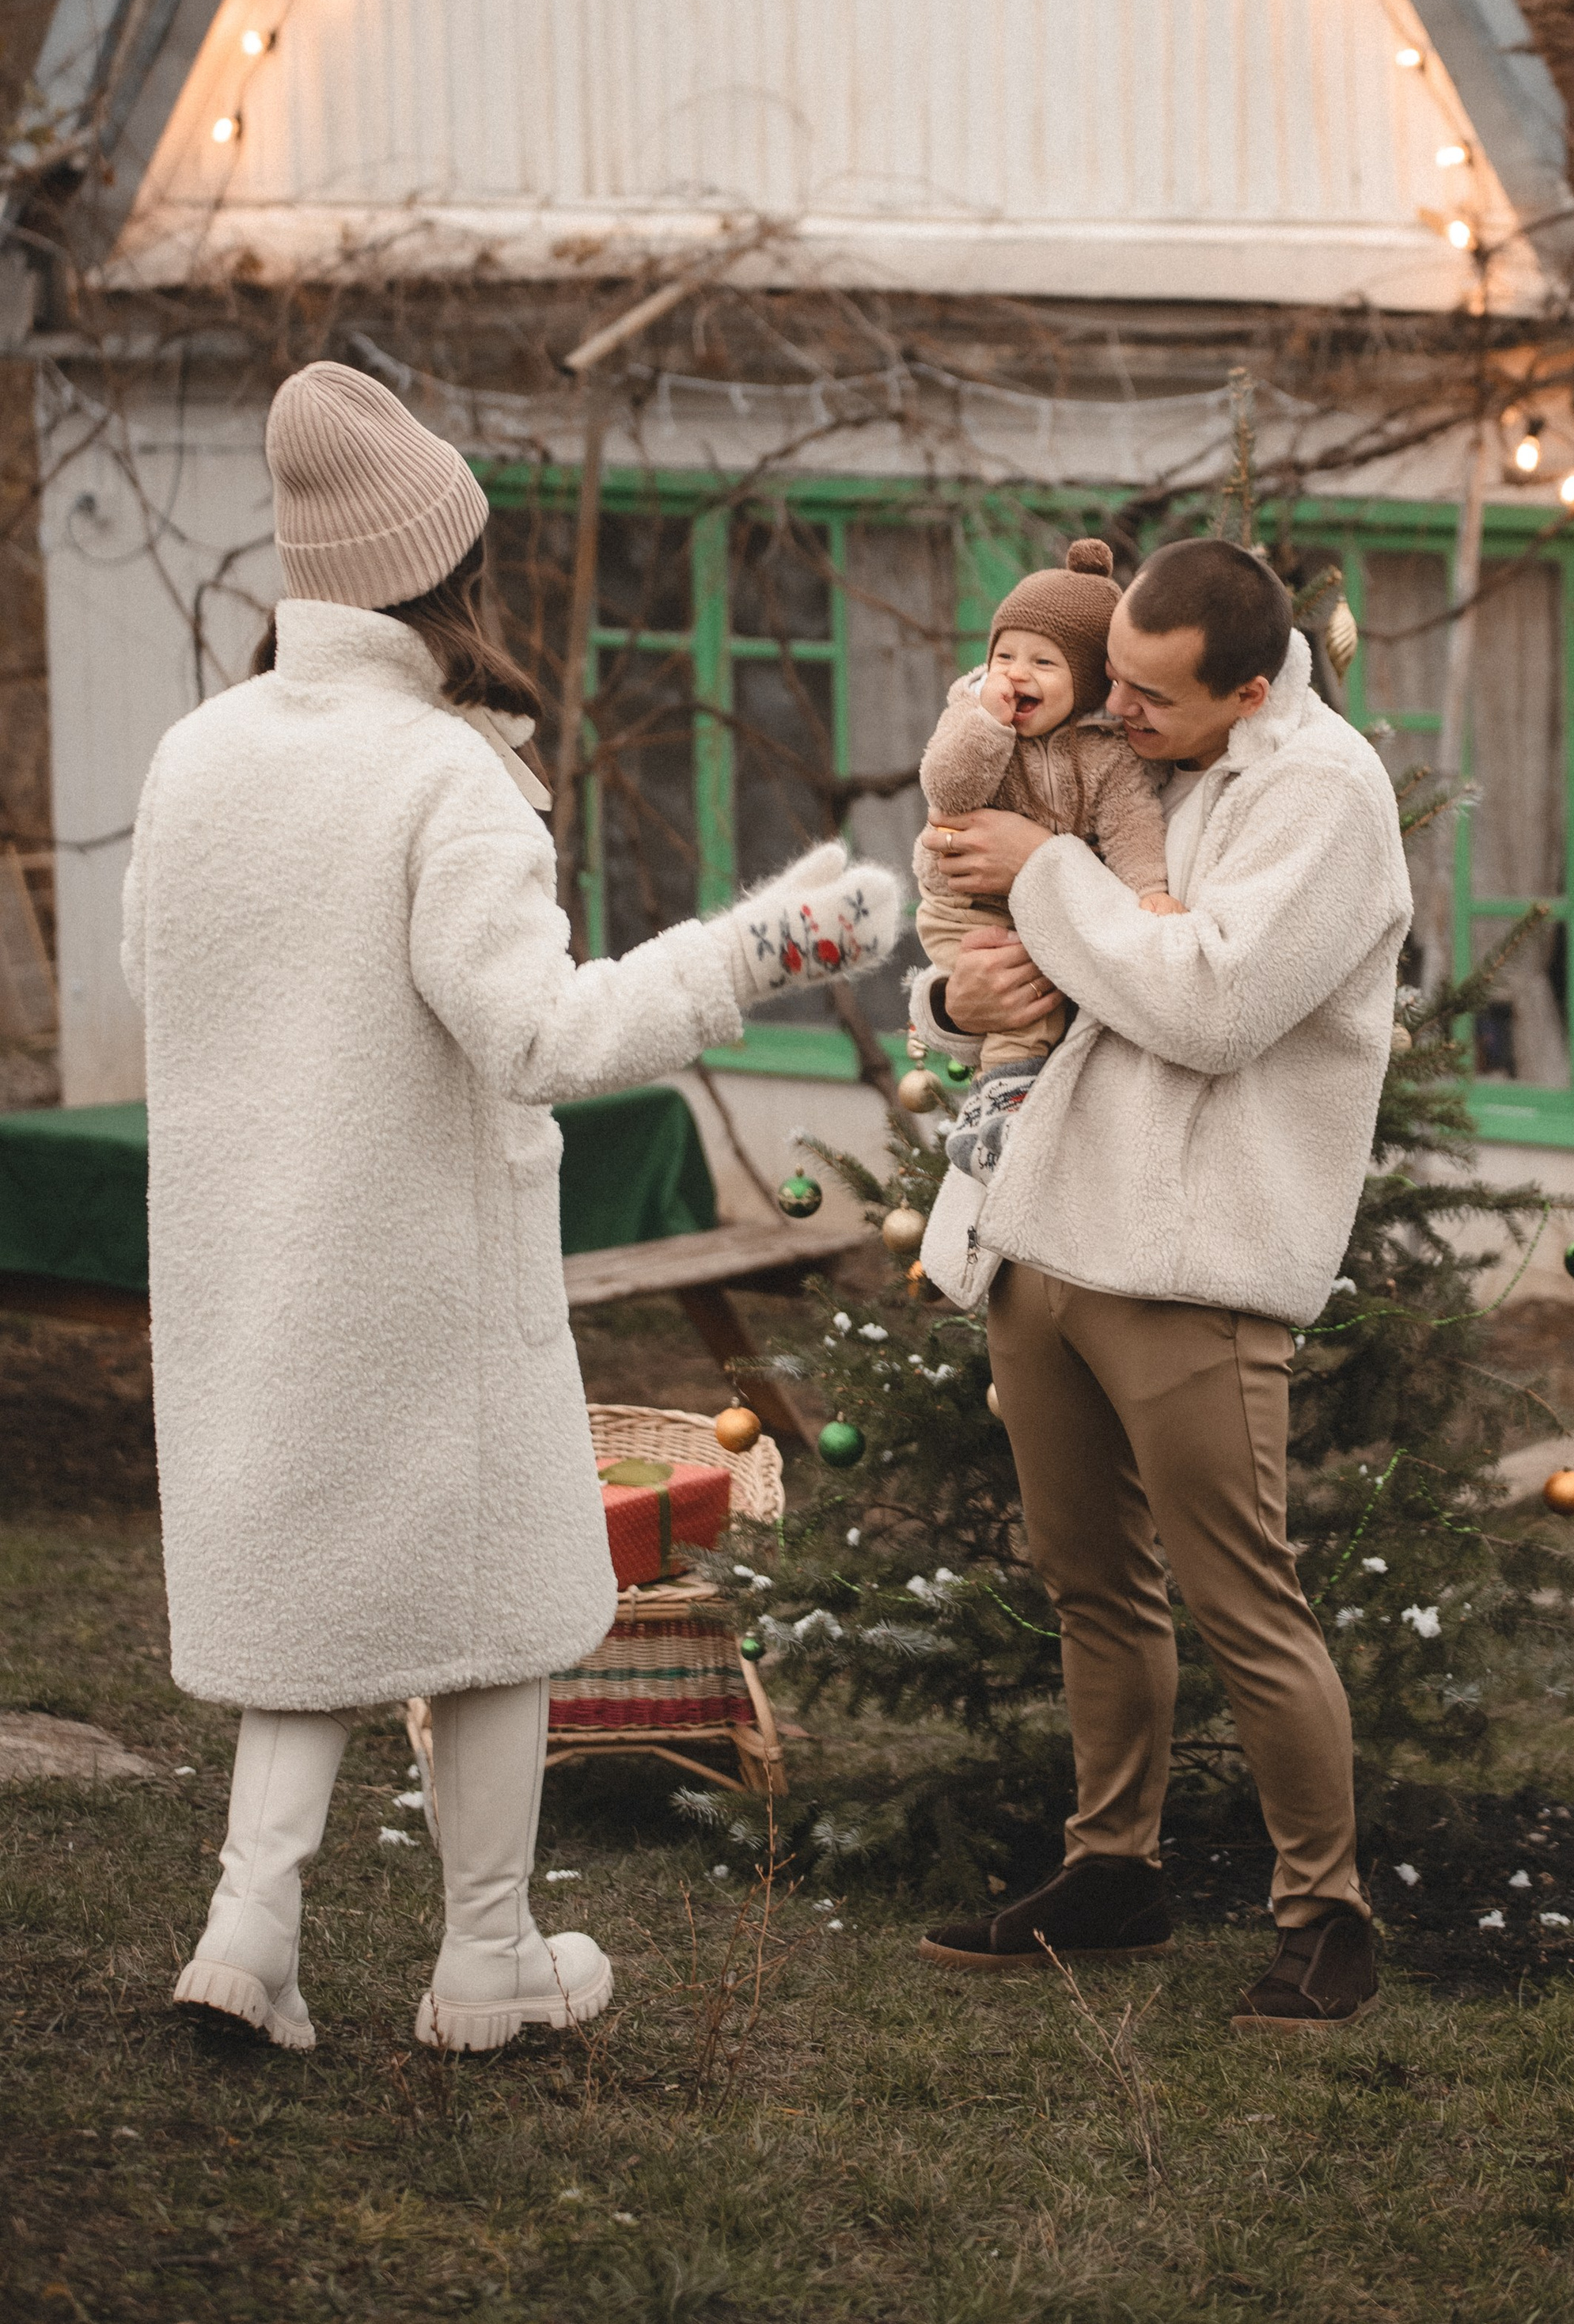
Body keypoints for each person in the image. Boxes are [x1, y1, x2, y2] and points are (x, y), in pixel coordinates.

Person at [122, 362, 898, 2054]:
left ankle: (248, 1929)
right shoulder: (443, 773)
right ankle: (485, 1955)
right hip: (423, 1262)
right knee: (489, 1605)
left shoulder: (198, 756)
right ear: (445, 568)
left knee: (310, 1582)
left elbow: (157, 979)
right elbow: (543, 1038)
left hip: (253, 1254)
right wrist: (757, 950)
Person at [911, 537, 1412, 2033]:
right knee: (1090, 1584)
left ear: (1249, 693)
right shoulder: (1132, 742)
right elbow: (1004, 944)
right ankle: (1111, 1871)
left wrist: (1044, 870)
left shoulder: (1323, 797)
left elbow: (1211, 1004)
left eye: (1149, 696)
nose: (1113, 710)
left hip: (1192, 1254)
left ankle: (1326, 1913)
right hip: (1042, 1222)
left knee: (1242, 1597)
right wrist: (949, 998)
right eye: (1111, 675)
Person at [912, 538, 1178, 1179]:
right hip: (962, 908)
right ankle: (1000, 1110)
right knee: (1013, 989)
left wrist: (1150, 888)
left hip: (1038, 915)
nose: (1016, 674)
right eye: (1004, 655)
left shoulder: (1107, 754)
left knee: (1036, 995)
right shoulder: (973, 715)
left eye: (1043, 661)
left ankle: (997, 1114)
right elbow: (947, 789)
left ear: (1087, 681)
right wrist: (988, 724)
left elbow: (1133, 824)